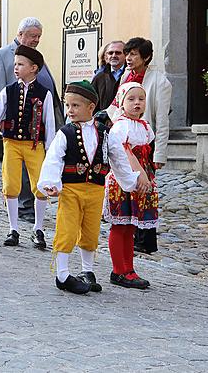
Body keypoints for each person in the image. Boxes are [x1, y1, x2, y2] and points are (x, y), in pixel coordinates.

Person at [38, 81, 144, 295]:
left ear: (91, 107)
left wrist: (131, 181)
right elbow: (54, 159)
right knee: (66, 229)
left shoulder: (106, 134)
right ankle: (62, 274)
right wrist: (50, 182)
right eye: (68, 106)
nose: (70, 110)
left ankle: (87, 271)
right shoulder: (65, 133)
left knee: (90, 231)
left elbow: (118, 160)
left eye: (75, 106)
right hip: (71, 191)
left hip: (96, 191)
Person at [0, 17, 63, 222]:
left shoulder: (35, 57)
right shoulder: (2, 55)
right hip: (15, 126)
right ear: (20, 34)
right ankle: (23, 207)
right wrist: (2, 123)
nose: (36, 40)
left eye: (39, 36)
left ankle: (31, 207)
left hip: (38, 122)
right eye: (32, 36)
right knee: (15, 172)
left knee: (34, 168)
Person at [0, 45, 55, 249]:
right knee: (11, 184)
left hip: (35, 145)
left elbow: (49, 123)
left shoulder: (45, 94)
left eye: (20, 64)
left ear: (34, 68)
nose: (16, 68)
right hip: (12, 143)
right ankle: (13, 228)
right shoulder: (9, 91)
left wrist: (51, 151)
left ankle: (38, 228)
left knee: (40, 185)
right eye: (15, 64)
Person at [116, 37, 171, 254]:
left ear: (146, 57)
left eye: (133, 54)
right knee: (130, 188)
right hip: (127, 141)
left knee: (146, 190)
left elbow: (162, 120)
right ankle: (133, 234)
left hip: (146, 144)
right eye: (127, 53)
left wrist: (160, 154)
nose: (128, 58)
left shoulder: (159, 82)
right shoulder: (126, 77)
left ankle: (147, 240)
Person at [103, 82, 159, 289]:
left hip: (142, 177)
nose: (137, 103)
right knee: (120, 225)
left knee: (130, 226)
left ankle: (129, 268)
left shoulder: (145, 127)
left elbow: (147, 152)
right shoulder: (120, 125)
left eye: (141, 99)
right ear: (122, 102)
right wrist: (139, 175)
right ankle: (119, 270)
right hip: (124, 177)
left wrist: (148, 176)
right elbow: (124, 152)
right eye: (131, 99)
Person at [91, 40, 126, 111]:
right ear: (106, 56)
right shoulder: (99, 77)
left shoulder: (131, 74)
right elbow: (92, 102)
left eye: (118, 53)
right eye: (110, 53)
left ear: (125, 55)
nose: (113, 55)